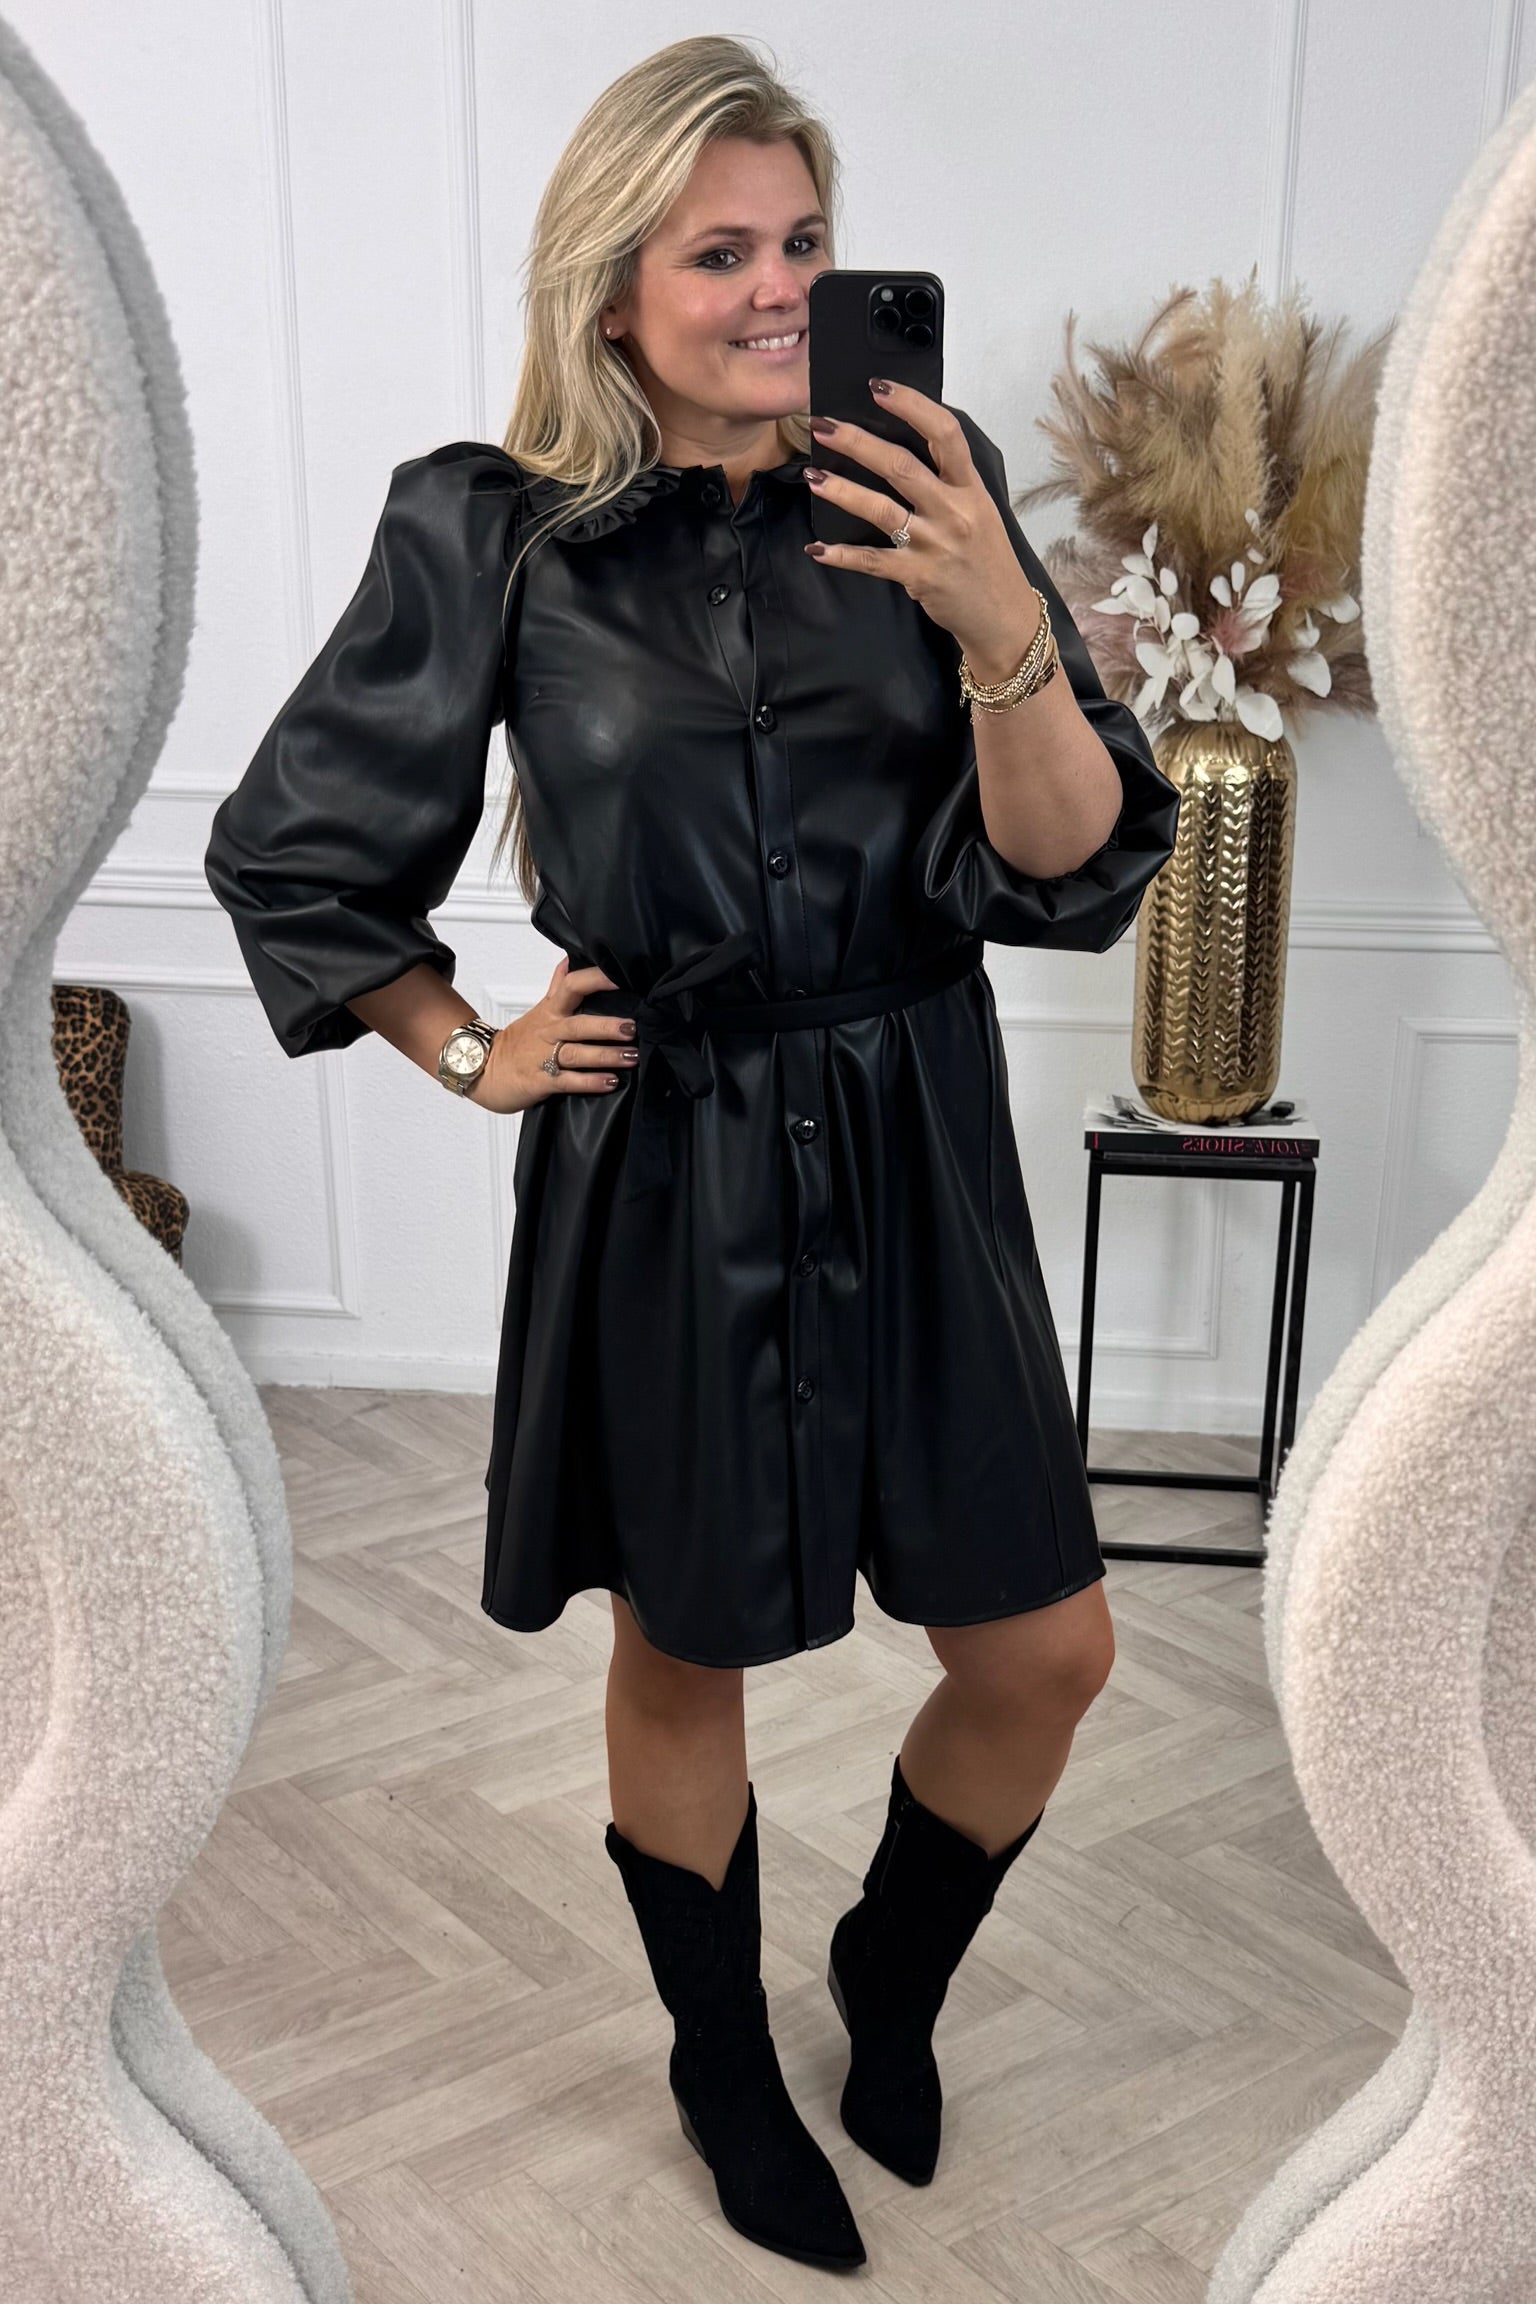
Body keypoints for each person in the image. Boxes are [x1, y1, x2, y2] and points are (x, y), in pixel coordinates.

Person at [204, 34, 1180, 2279]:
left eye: (805, 242)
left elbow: (1070, 869)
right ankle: (721, 2061)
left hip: (916, 1124)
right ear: (614, 288)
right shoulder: (494, 530)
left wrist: (998, 624)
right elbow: (300, 850)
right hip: (671, 1151)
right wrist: (470, 1049)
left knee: (1044, 1648)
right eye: (719, 249)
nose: (776, 288)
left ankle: (890, 1976)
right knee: (687, 1647)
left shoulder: (930, 489)